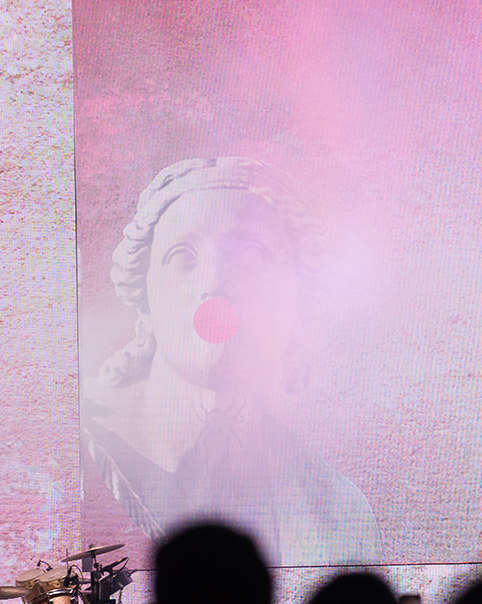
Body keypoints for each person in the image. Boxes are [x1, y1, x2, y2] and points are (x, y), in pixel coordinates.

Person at [80, 157, 377, 566]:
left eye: (250, 255)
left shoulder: (336, 511)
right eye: (183, 256)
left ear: (299, 303)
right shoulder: (80, 445)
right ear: (144, 298)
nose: (214, 283)